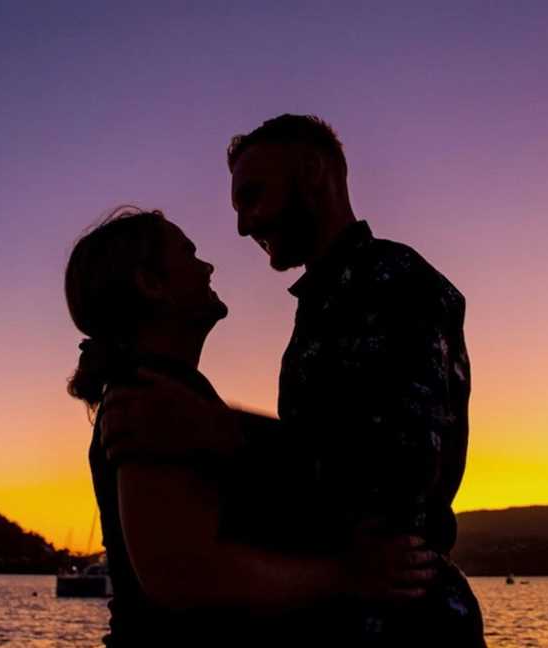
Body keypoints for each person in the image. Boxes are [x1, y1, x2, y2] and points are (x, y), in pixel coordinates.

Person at [109, 115, 486, 645]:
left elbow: (400, 470)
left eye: (253, 196)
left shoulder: (397, 283)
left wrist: (225, 433)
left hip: (403, 623)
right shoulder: (321, 306)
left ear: (312, 172)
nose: (242, 226)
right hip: (346, 615)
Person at [64, 207, 438, 648]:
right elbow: (183, 577)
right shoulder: (148, 397)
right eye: (190, 254)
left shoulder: (174, 395)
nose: (208, 265)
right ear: (152, 284)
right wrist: (348, 574)